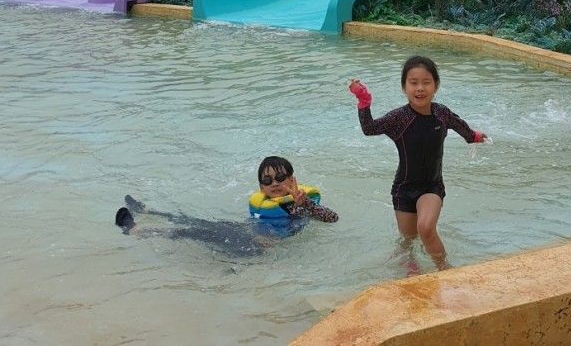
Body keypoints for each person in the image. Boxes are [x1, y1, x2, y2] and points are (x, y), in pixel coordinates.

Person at [349, 56, 487, 270]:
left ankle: (444, 268)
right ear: (404, 87)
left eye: (426, 82)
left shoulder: (442, 113)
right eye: (413, 82)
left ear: (436, 85)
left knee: (425, 228)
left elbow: (462, 128)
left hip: (431, 187)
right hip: (403, 190)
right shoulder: (399, 118)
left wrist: (474, 136)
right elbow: (370, 129)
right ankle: (411, 268)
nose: (420, 88)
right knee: (408, 241)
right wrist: (364, 102)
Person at [114, 155, 338, 257]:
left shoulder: (298, 205)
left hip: (258, 247)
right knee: (193, 221)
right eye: (268, 180)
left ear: (292, 180)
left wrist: (306, 204)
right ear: (261, 188)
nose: (276, 183)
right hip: (244, 233)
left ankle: (137, 231)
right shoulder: (264, 203)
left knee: (192, 232)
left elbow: (332, 218)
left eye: (281, 177)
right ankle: (149, 211)